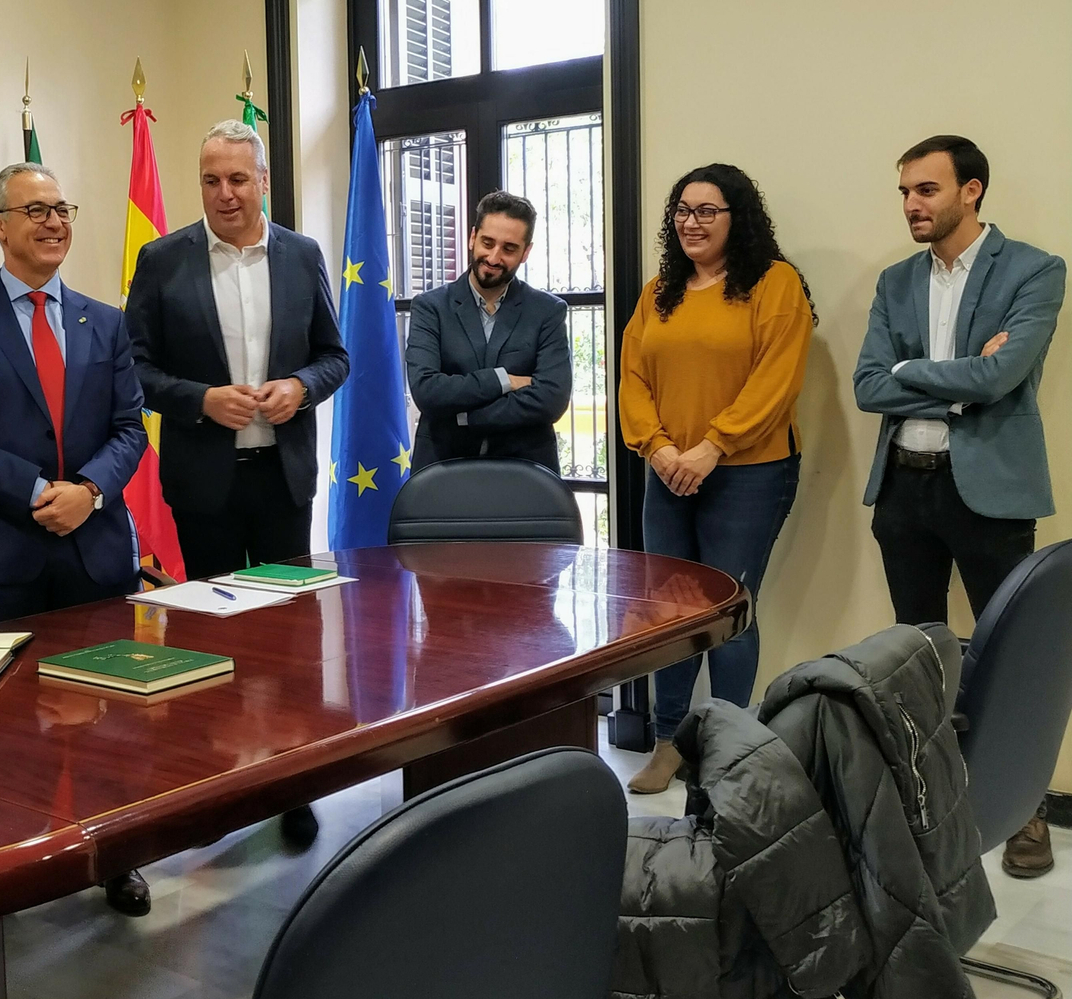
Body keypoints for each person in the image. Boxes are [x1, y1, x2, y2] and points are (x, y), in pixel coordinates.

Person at [0, 162, 152, 914]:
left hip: (95, 548)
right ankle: (6, 864)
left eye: (62, 209)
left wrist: (87, 492)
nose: (54, 223)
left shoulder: (105, 320)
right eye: (36, 211)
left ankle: (114, 854)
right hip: (2, 554)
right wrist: (34, 494)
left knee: (106, 714)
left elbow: (129, 430)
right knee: (3, 727)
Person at [124, 119, 348, 849]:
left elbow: (334, 356)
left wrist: (301, 388)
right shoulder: (163, 260)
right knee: (211, 636)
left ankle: (295, 785)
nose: (225, 193)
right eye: (211, 180)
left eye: (238, 179)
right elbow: (135, 368)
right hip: (205, 482)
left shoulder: (302, 254)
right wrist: (199, 399)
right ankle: (217, 781)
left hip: (283, 478)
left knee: (290, 640)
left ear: (262, 181)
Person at [853, 134, 1066, 878]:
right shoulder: (895, 282)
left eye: (927, 190)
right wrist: (958, 376)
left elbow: (1004, 375)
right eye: (906, 192)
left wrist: (920, 371)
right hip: (904, 488)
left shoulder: (1035, 270)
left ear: (971, 191)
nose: (913, 204)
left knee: (1011, 655)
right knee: (916, 656)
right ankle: (928, 803)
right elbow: (869, 385)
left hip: (990, 491)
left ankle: (1026, 813)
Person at [618, 164, 814, 795]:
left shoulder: (773, 284)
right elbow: (633, 378)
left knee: (729, 612)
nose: (690, 222)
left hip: (748, 473)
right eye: (682, 209)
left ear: (738, 218)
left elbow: (776, 379)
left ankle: (730, 750)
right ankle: (671, 742)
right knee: (670, 615)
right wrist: (660, 448)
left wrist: (711, 447)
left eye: (707, 210)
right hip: (666, 472)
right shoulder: (660, 292)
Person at [405, 189, 571, 472]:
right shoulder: (430, 307)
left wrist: (464, 416)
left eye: (509, 248)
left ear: (525, 252)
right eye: (487, 242)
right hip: (443, 473)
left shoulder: (547, 311)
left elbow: (551, 399)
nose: (494, 258)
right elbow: (427, 391)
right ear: (472, 238)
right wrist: (504, 380)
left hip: (525, 475)